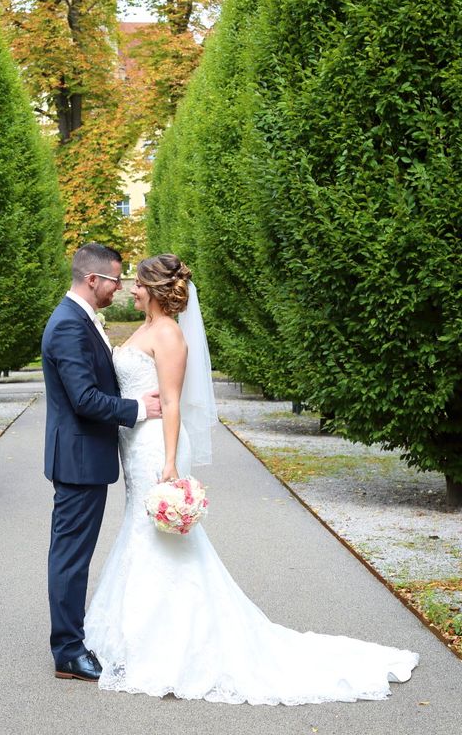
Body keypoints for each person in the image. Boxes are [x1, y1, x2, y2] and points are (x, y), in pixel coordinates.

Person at [84, 253, 419, 705]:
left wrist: (169, 465)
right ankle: (136, 635)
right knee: (140, 528)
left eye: (139, 284)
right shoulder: (143, 328)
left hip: (156, 446)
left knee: (159, 536)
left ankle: (170, 644)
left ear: (155, 290)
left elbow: (174, 402)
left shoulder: (168, 334)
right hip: (135, 442)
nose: (132, 289)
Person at [41, 243, 162, 683]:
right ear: (93, 281)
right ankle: (68, 651)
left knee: (74, 553)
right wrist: (138, 409)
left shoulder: (79, 319)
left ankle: (71, 642)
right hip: (76, 460)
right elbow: (85, 399)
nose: (120, 287)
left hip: (83, 456)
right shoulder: (69, 327)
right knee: (71, 556)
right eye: (115, 279)